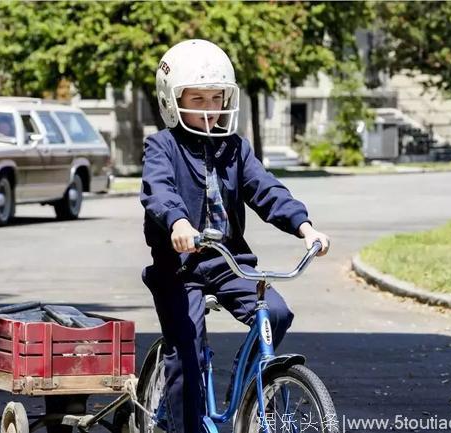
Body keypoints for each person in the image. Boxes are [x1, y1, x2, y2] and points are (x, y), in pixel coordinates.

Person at [140, 39, 330, 433]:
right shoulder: (162, 146)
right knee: (186, 355)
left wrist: (304, 226)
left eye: (216, 98)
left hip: (230, 265)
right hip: (181, 268)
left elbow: (266, 189)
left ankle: (246, 388)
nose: (208, 109)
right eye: (198, 98)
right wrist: (177, 223)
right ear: (172, 100)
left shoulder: (235, 148)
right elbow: (159, 191)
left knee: (276, 312)